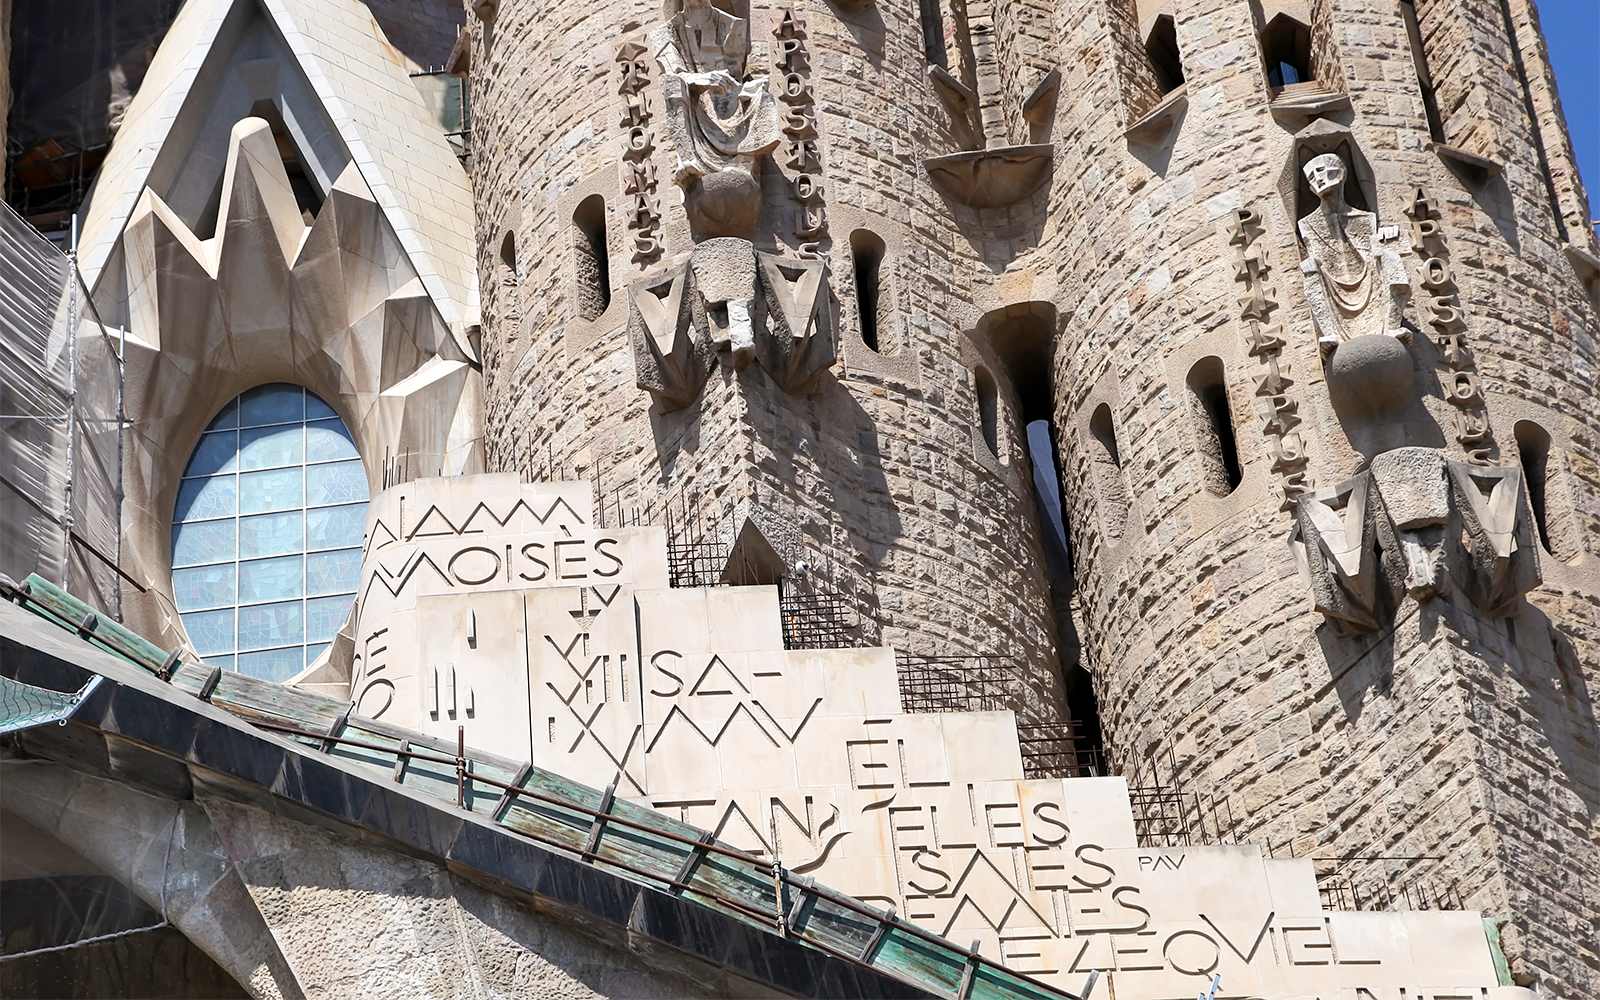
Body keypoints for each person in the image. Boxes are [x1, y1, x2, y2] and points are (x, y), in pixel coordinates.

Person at [1297, 152, 1410, 353]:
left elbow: (1373, 251)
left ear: (1340, 173)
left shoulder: (1365, 218)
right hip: (1331, 283)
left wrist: (1384, 239)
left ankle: (1392, 326)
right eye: (1311, 177)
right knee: (1310, 269)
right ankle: (1330, 333)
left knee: (1389, 257)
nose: (1318, 178)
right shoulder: (1307, 224)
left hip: (1368, 281)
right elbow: (1315, 254)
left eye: (1321, 170)